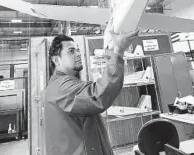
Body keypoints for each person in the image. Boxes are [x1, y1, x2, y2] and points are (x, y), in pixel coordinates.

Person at [44, 22, 139, 155]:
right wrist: (118, 52)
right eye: (71, 51)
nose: (78, 54)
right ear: (56, 60)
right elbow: (97, 95)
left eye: (78, 50)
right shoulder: (61, 87)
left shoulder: (65, 83)